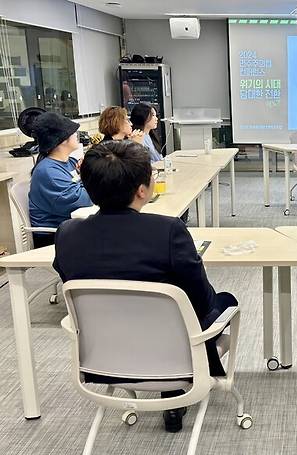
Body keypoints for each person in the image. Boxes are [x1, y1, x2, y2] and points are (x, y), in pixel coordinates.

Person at [53, 140, 238, 433]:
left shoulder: (67, 234)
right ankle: (185, 388)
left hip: (103, 361)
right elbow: (201, 302)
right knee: (223, 301)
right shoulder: (167, 231)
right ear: (142, 190)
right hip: (173, 359)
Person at [28, 112, 93, 248]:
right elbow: (80, 201)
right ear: (62, 140)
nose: (76, 134)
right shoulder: (47, 172)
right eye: (73, 132)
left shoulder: (71, 162)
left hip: (72, 227)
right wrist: (88, 180)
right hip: (55, 237)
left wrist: (86, 174)